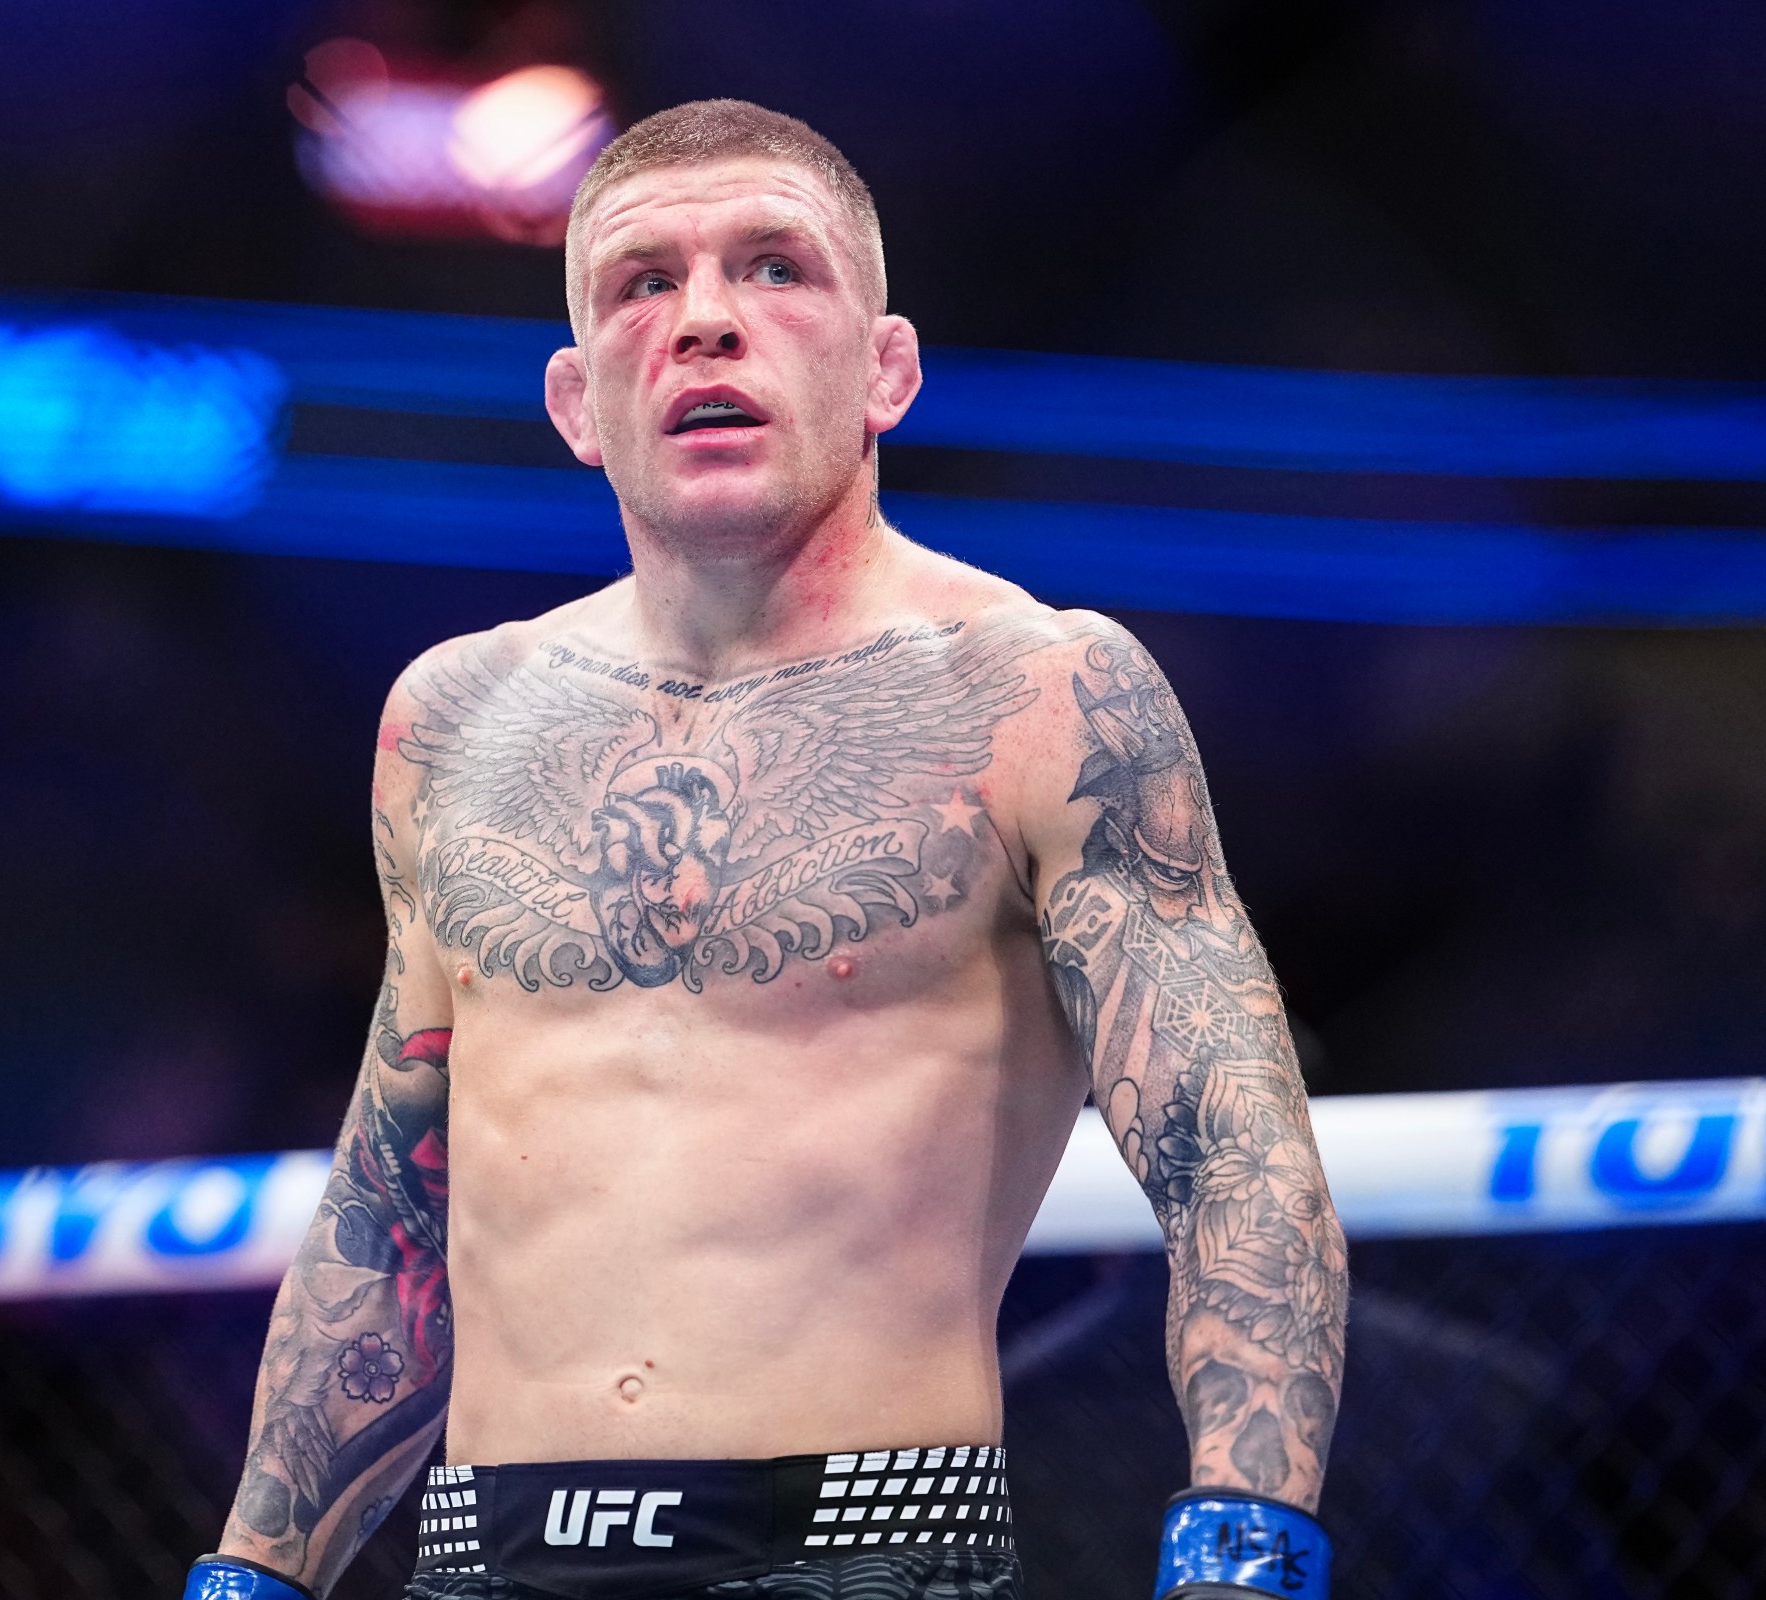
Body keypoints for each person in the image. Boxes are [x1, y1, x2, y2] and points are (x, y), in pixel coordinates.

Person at [188, 98, 1346, 1600]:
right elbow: (396, 1202)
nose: (706, 323)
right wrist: (256, 1570)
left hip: (858, 1547)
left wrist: (1246, 1541)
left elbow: (1233, 1156)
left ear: (888, 370)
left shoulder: (1040, 694)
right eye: (641, 282)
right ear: (573, 399)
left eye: (774, 268)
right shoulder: (453, 718)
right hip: (485, 1560)